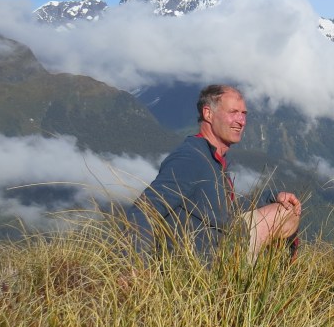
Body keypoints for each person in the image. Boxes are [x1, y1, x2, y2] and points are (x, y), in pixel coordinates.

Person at [126, 84, 301, 261]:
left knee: (287, 208)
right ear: (208, 114)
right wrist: (136, 267)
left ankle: (274, 273)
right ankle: (253, 273)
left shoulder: (212, 157)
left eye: (243, 113)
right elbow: (145, 209)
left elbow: (224, 210)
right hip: (206, 262)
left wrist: (270, 197)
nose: (241, 121)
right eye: (233, 112)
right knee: (284, 213)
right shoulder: (190, 158)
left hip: (218, 247)